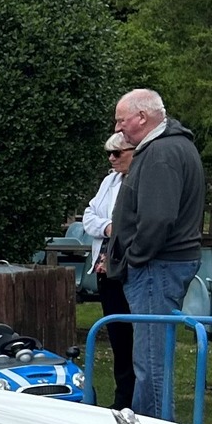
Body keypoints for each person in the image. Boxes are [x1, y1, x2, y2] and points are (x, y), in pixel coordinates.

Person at [105, 89, 206, 420]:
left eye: (121, 121)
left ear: (141, 118)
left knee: (150, 361)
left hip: (157, 266)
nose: (119, 129)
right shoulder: (173, 146)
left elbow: (159, 218)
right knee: (148, 357)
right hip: (161, 264)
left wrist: (135, 256)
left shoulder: (161, 153)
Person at [83, 132, 137, 409]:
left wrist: (117, 228)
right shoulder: (109, 181)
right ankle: (121, 398)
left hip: (132, 268)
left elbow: (135, 225)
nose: (111, 159)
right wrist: (107, 227)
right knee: (117, 335)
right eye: (109, 153)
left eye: (118, 153)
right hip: (106, 268)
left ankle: (136, 399)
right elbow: (88, 217)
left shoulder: (143, 180)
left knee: (136, 337)